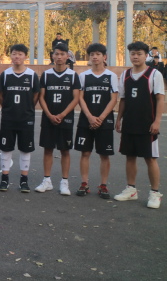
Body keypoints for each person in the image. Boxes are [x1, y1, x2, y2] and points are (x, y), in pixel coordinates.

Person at [115, 41, 164, 209]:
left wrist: (157, 121)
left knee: (150, 158)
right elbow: (123, 99)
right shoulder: (125, 75)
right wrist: (119, 119)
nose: (135, 57)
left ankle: (155, 193)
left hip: (147, 124)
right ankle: (131, 189)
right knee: (130, 156)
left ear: (146, 55)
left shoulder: (154, 74)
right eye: (133, 54)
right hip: (130, 123)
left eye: (139, 54)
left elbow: (160, 99)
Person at [35, 43, 80, 195]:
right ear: (52, 56)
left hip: (65, 119)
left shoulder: (73, 75)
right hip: (48, 118)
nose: (59, 57)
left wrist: (62, 115)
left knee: (65, 150)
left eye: (62, 54)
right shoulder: (46, 75)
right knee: (48, 149)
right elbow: (41, 97)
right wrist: (49, 115)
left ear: (67, 56)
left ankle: (64, 182)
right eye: (57, 54)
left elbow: (76, 98)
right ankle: (47, 181)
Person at [74, 43, 118, 198]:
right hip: (86, 120)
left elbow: (113, 99)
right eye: (92, 54)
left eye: (98, 54)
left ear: (104, 57)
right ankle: (84, 183)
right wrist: (90, 117)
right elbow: (80, 98)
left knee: (104, 154)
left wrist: (101, 118)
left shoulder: (111, 76)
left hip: (105, 121)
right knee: (85, 152)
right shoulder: (83, 76)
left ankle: (103, 185)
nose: (94, 57)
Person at [0, 44, 40, 192]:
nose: (17, 57)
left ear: (25, 56)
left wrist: (27, 108)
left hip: (26, 118)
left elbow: (36, 95)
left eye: (20, 54)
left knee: (25, 149)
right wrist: (8, 108)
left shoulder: (32, 75)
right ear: (11, 56)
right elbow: (0, 95)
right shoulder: (5, 75)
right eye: (14, 53)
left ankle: (24, 180)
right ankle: (4, 179)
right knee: (6, 148)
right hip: (8, 117)